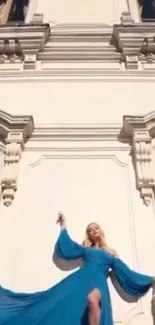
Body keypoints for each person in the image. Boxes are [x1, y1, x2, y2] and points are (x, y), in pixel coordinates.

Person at [0, 212, 154, 325]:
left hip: (99, 280)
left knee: (93, 299)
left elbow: (125, 271)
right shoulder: (85, 248)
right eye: (90, 230)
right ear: (88, 234)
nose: (93, 231)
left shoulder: (111, 252)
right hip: (81, 279)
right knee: (53, 299)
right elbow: (68, 247)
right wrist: (63, 226)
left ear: (100, 231)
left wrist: (149, 279)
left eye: (96, 228)